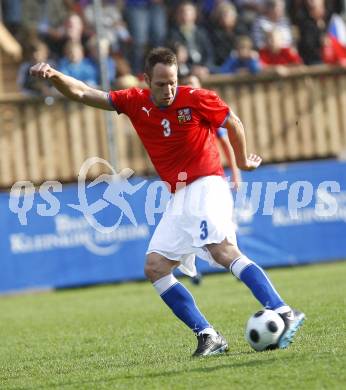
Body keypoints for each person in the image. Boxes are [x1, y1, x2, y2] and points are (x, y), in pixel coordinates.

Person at [30, 47, 305, 357]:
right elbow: (81, 92)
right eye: (161, 83)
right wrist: (54, 76)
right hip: (179, 196)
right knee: (156, 266)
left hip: (207, 185)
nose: (169, 89)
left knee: (223, 250)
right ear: (147, 80)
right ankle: (208, 335)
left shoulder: (197, 98)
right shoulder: (134, 102)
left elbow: (234, 124)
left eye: (172, 81)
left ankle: (282, 310)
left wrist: (242, 161)